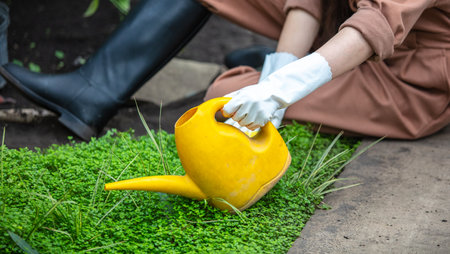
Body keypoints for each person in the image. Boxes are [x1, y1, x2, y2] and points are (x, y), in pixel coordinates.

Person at [1, 0, 449, 141]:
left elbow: (377, 22)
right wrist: (280, 68)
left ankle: (278, 65)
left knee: (230, 94)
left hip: (406, 75)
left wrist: (278, 88)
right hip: (341, 23)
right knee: (256, 82)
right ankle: (94, 89)